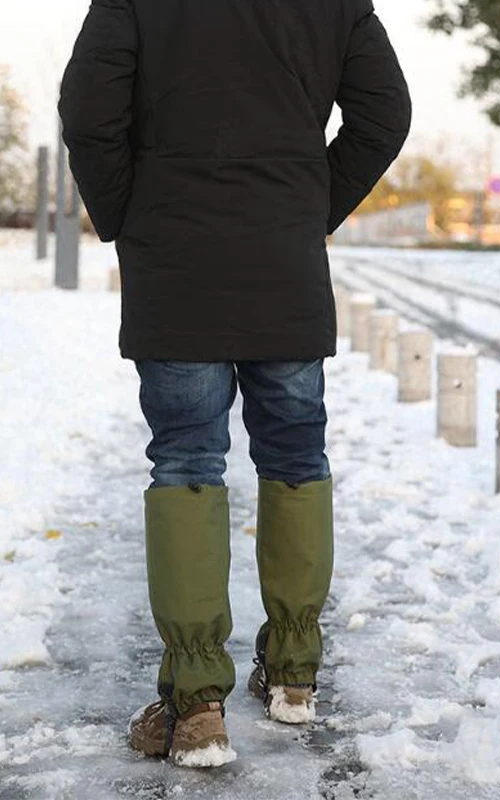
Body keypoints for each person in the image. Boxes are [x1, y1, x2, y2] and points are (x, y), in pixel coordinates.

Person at [59, 0, 410, 769]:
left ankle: (197, 705)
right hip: (282, 263)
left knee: (186, 459)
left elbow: (88, 112)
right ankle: (292, 676)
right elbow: (385, 115)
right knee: (294, 455)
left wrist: (127, 212)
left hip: (177, 262)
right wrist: (307, 205)